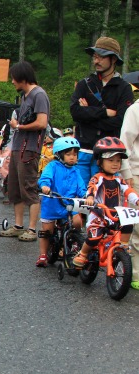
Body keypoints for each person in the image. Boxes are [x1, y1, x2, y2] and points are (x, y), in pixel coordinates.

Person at [70, 37, 134, 186]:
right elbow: (75, 112)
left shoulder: (124, 88)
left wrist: (88, 114)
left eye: (101, 56)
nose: (96, 61)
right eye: (94, 56)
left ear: (113, 59)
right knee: (81, 198)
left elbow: (120, 121)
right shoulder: (84, 84)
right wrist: (104, 113)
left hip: (109, 155)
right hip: (84, 151)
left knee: (106, 198)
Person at [0, 61, 50, 242]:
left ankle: (31, 229)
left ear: (22, 77)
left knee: (29, 188)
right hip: (17, 147)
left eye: (14, 78)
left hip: (29, 149)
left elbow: (42, 122)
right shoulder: (25, 96)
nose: (12, 81)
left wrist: (18, 125)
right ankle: (18, 226)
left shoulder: (39, 94)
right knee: (14, 187)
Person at [73, 137, 139, 268]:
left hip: (114, 214)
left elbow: (128, 191)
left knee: (128, 225)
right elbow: (92, 188)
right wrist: (90, 198)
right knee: (94, 237)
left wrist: (136, 200)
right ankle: (83, 253)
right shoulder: (97, 178)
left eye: (118, 161)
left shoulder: (119, 180)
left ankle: (123, 246)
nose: (115, 164)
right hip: (99, 214)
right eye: (111, 160)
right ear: (100, 162)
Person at [36, 136, 85, 267]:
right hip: (52, 202)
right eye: (68, 154)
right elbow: (45, 178)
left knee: (77, 222)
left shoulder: (76, 170)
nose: (72, 157)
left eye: (75, 154)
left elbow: (81, 186)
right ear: (59, 154)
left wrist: (85, 194)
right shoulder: (52, 166)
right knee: (47, 231)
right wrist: (45, 186)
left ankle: (72, 242)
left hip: (69, 203)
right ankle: (43, 255)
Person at [119, 96, 139, 290]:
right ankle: (135, 273)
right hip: (137, 173)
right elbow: (125, 142)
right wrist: (126, 172)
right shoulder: (135, 110)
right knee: (137, 226)